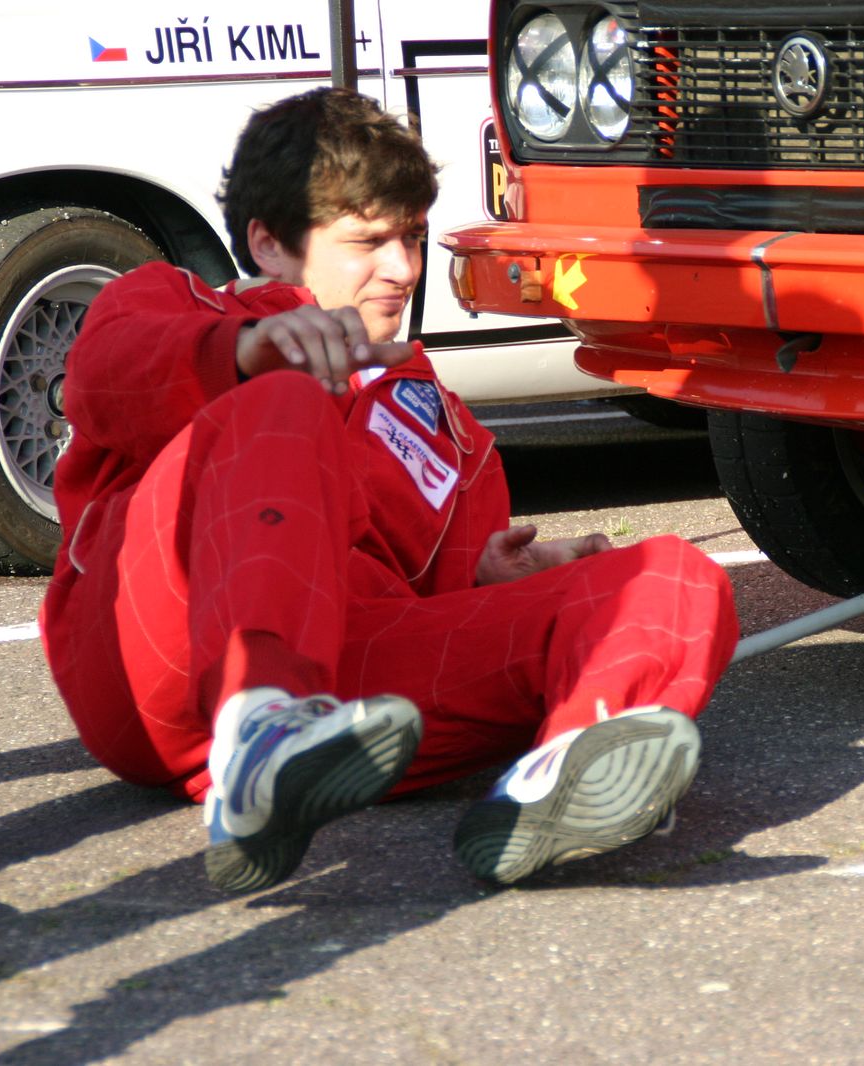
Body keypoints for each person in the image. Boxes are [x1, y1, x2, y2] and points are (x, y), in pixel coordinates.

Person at [39, 87, 738, 893]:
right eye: (369, 241)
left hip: (349, 697)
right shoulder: (173, 302)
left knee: (673, 574)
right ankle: (261, 727)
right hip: (153, 661)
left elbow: (430, 602)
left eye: (411, 237)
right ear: (268, 243)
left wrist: (489, 576)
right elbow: (100, 384)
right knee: (288, 400)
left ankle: (562, 771)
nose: (404, 269)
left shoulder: (448, 428)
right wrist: (251, 348)